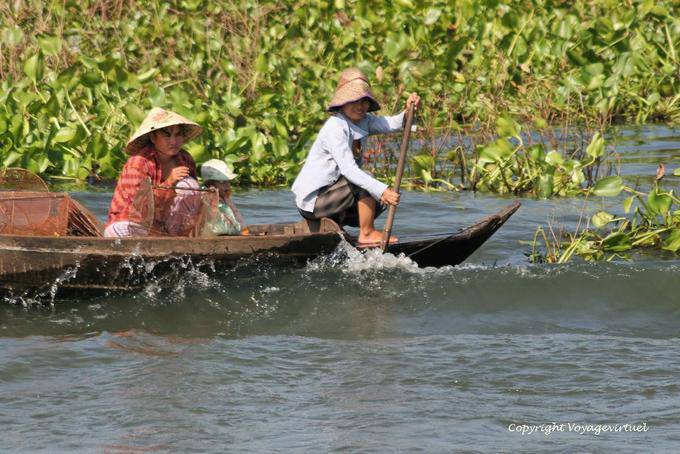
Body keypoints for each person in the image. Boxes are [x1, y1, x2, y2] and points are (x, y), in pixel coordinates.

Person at [291, 67, 420, 245]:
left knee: (378, 198)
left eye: (364, 102)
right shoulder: (336, 127)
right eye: (355, 101)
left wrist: (408, 111)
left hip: (334, 194)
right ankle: (366, 233)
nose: (360, 107)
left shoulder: (365, 121)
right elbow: (349, 170)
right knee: (368, 184)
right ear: (343, 102)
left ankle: (338, 228)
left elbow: (392, 124)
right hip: (314, 202)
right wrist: (382, 190)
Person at [104, 107, 202, 237]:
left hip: (168, 227)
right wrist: (169, 183)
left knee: (190, 185)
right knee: (118, 233)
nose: (173, 141)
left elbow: (193, 203)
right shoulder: (139, 162)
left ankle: (176, 239)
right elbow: (138, 208)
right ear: (153, 137)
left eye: (178, 135)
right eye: (166, 135)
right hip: (133, 223)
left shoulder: (185, 159)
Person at [200, 159, 245, 235]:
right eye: (222, 182)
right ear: (210, 184)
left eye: (228, 181)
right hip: (214, 234)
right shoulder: (205, 196)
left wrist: (228, 201)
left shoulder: (224, 197)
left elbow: (239, 222)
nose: (227, 185)